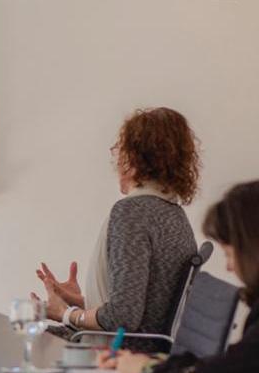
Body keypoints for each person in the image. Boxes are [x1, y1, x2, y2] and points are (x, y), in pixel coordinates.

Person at [36, 108, 201, 341]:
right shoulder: (174, 215)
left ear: (132, 160)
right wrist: (83, 302)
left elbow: (123, 317)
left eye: (119, 153)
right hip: (139, 349)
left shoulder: (132, 213)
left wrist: (65, 313)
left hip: (112, 356)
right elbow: (142, 307)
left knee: (17, 336)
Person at [101, 182, 259, 373]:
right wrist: (154, 365)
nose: (229, 267)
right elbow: (229, 368)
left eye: (229, 254)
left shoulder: (131, 212)